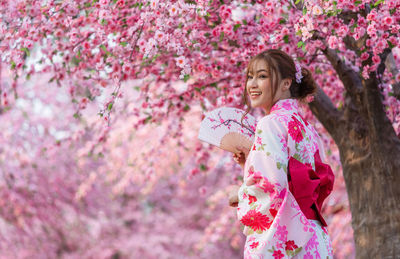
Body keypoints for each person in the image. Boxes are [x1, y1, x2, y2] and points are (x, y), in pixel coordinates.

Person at [229, 49, 335, 258]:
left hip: (290, 238)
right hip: (314, 237)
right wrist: (249, 163)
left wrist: (241, 195)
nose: (252, 84)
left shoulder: (270, 123)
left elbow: (272, 188)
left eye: (262, 76)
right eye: (250, 77)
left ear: (286, 83)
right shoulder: (307, 127)